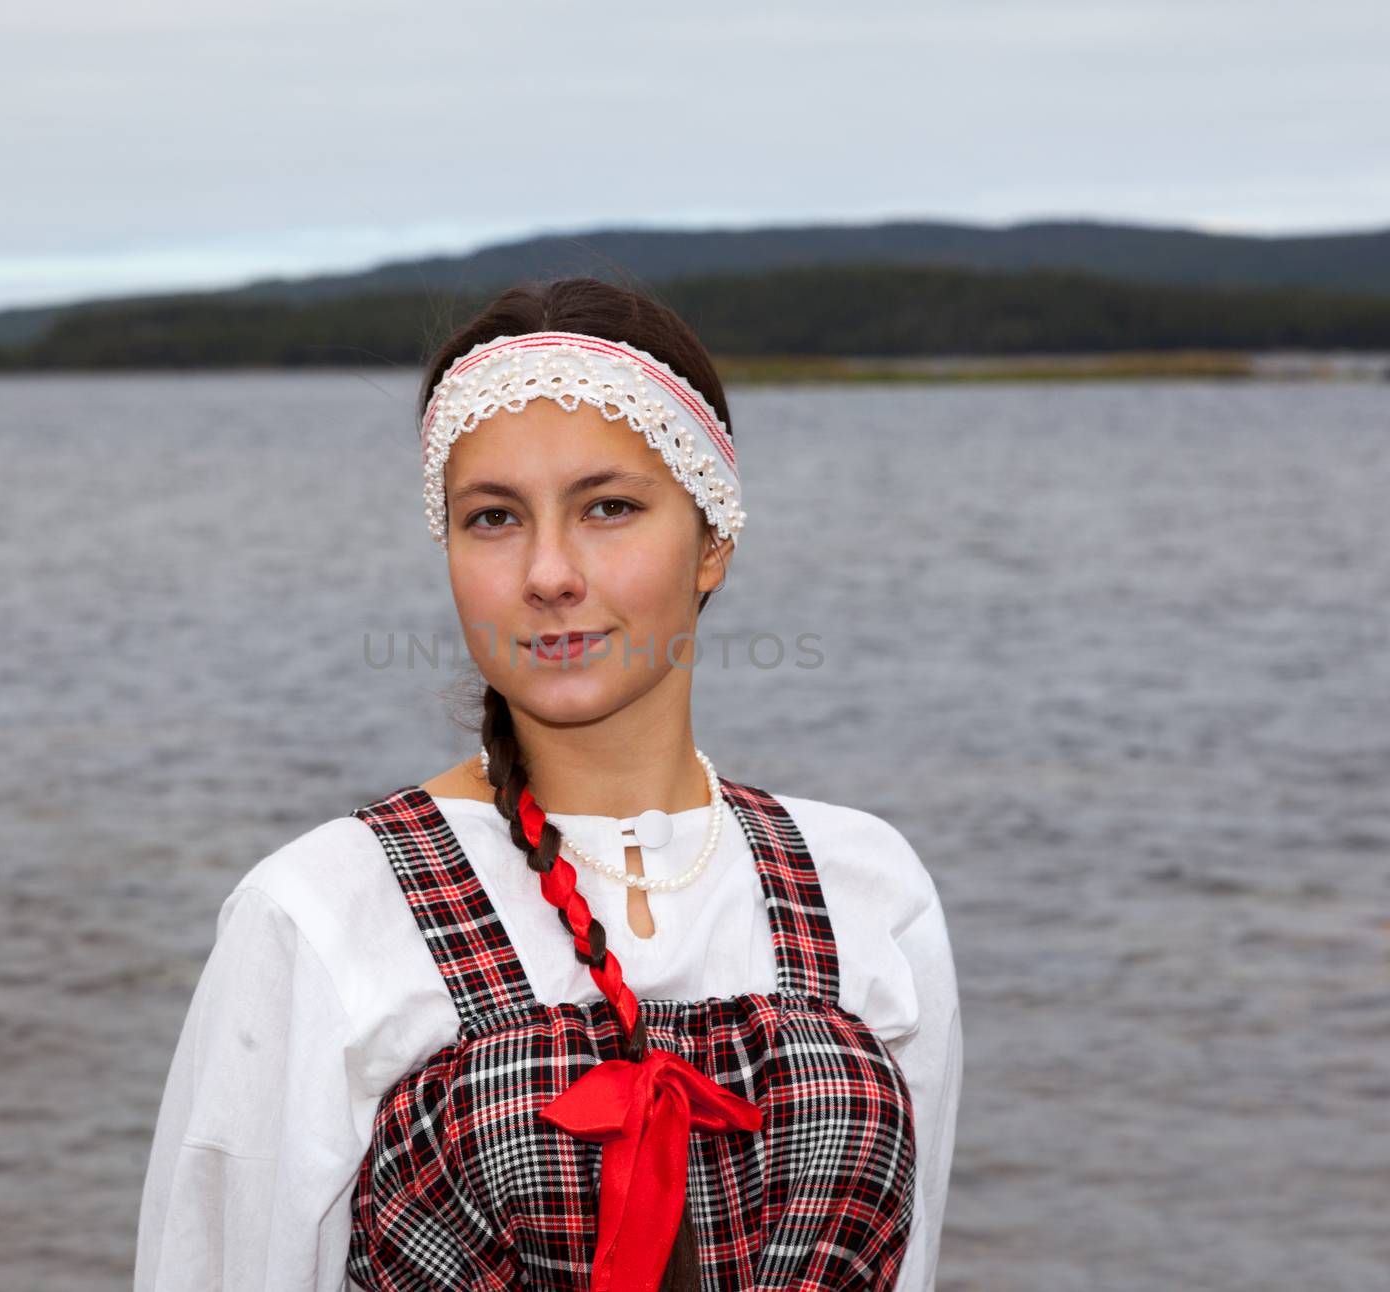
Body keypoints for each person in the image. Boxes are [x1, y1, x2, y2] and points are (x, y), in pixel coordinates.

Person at [134, 276, 962, 1291]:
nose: (548, 572)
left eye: (608, 507)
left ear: (713, 541)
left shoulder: (863, 884)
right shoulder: (321, 911)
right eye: (492, 518)